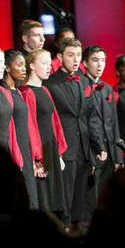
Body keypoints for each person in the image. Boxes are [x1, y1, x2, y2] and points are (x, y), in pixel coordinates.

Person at [43, 37, 96, 225]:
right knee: (64, 200)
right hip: (64, 149)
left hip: (83, 148)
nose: (75, 60)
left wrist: (93, 150)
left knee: (80, 202)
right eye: (70, 55)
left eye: (78, 55)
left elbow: (89, 117)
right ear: (60, 57)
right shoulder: (50, 83)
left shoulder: (84, 82)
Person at [18, 49, 67, 217]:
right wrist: (37, 160)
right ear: (31, 65)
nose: (49, 67)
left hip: (50, 149)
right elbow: (30, 127)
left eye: (49, 63)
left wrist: (59, 153)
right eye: (44, 63)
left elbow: (56, 124)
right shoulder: (27, 92)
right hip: (40, 153)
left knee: (55, 199)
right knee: (44, 200)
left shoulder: (45, 90)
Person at [1, 50, 44, 209]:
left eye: (25, 65)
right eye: (19, 65)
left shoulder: (19, 92)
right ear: (7, 67)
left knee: (30, 197)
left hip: (25, 149)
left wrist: (35, 156)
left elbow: (30, 126)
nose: (24, 69)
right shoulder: (2, 92)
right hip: (13, 148)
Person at [82, 46, 120, 199]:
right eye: (95, 60)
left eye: (103, 60)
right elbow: (85, 123)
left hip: (109, 152)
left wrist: (117, 156)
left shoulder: (108, 89)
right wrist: (93, 152)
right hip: (92, 152)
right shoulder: (82, 87)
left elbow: (114, 123)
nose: (100, 65)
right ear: (85, 63)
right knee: (91, 196)